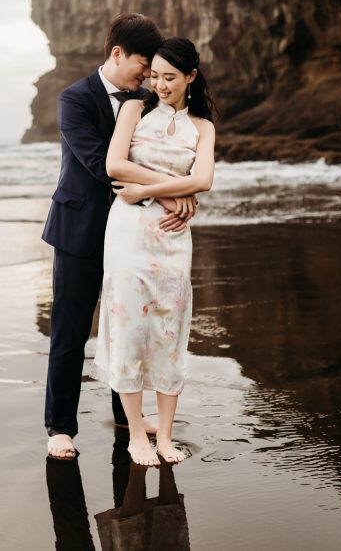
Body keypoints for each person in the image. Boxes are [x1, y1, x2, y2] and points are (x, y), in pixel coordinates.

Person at [43, 14, 198, 460]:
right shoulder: (74, 99)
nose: (149, 76)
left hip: (130, 235)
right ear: (117, 54)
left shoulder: (145, 102)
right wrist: (173, 194)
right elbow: (100, 164)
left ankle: (126, 417)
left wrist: (178, 187)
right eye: (144, 65)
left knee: (126, 325)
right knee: (71, 332)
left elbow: (161, 157)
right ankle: (60, 428)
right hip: (79, 231)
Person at [95, 37, 217, 466]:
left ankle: (164, 437)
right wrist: (170, 192)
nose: (160, 85)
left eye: (170, 78)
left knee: (169, 327)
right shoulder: (134, 109)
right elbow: (115, 166)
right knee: (129, 325)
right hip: (129, 232)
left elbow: (203, 181)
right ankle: (137, 437)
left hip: (173, 238)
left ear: (191, 77)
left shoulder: (203, 127)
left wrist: (147, 189)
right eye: (155, 77)